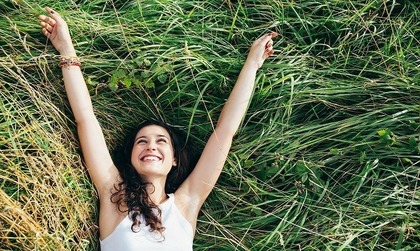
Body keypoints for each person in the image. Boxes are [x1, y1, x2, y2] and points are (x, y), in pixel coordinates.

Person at [38, 6, 277, 251]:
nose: (150, 145)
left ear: (174, 159)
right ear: (130, 156)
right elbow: (85, 118)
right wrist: (66, 50)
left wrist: (252, 64)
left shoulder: (187, 203)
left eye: (161, 141)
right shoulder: (115, 197)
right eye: (141, 141)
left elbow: (225, 131)